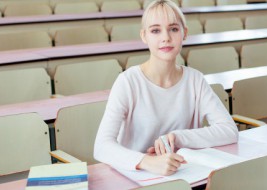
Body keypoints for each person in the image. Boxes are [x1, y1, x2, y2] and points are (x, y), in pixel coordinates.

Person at [94, 0, 238, 176]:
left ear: (184, 33)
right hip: (137, 177)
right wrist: (146, 162)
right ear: (144, 36)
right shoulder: (128, 82)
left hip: (184, 174)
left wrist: (178, 137)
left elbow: (229, 130)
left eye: (173, 29)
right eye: (155, 30)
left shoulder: (195, 79)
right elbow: (101, 146)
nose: (166, 38)